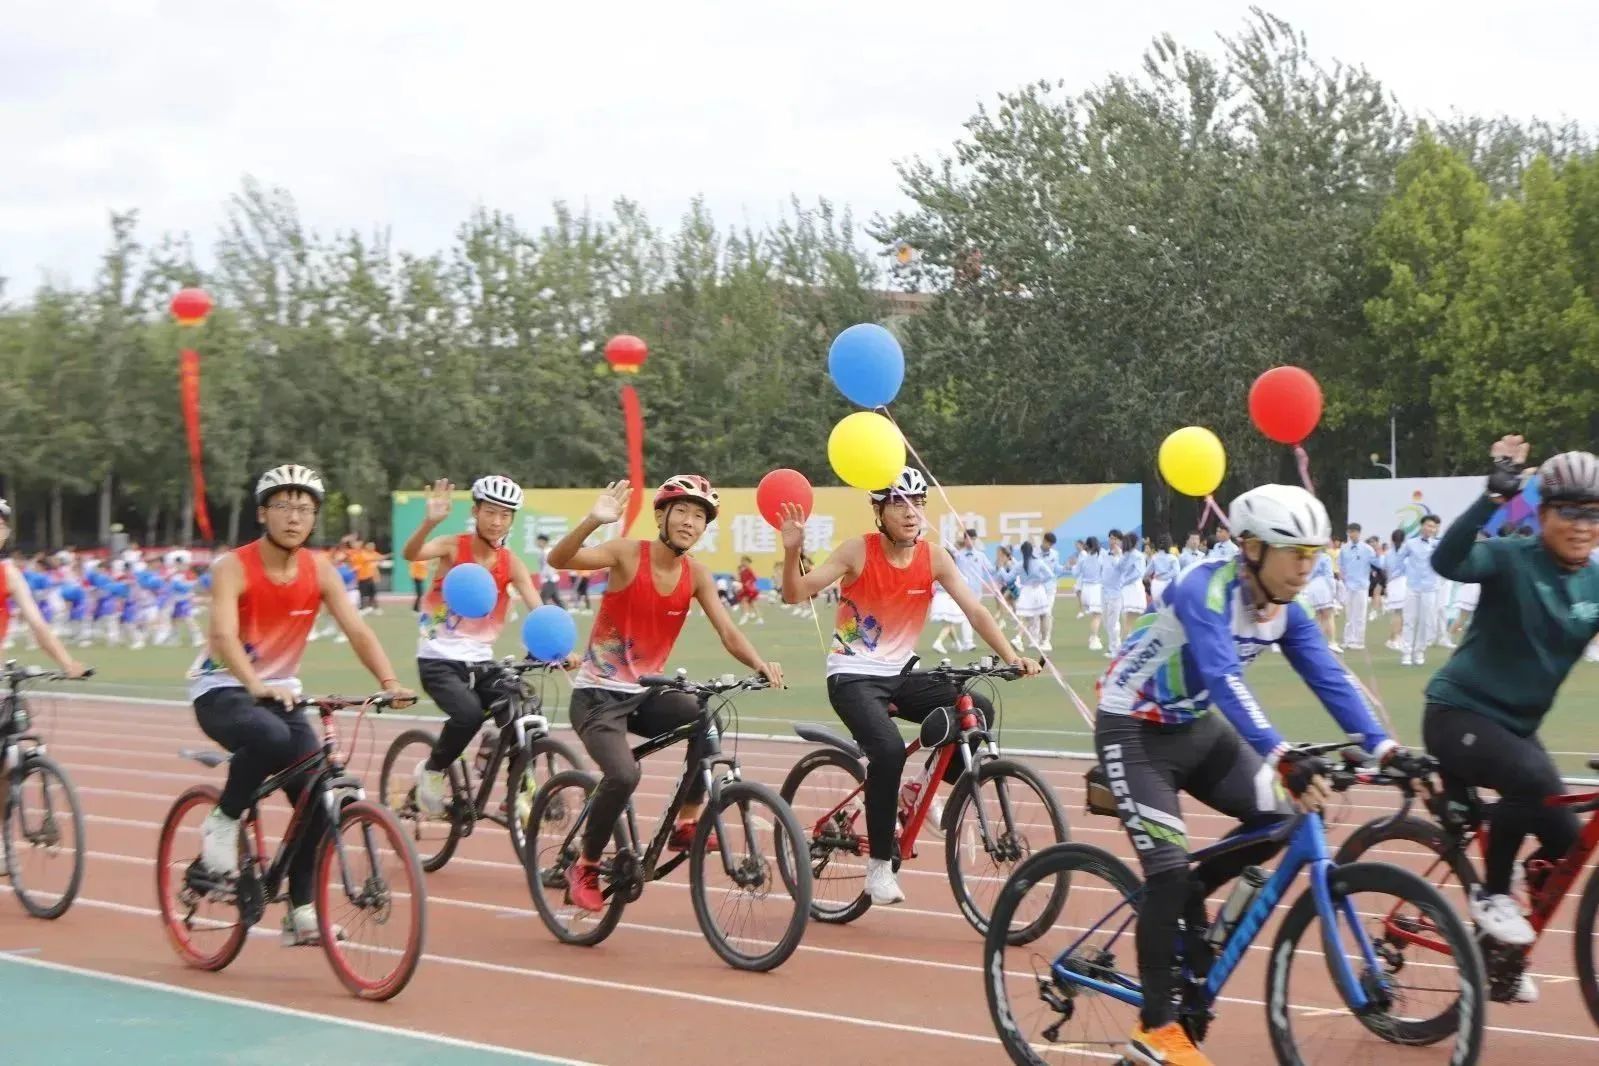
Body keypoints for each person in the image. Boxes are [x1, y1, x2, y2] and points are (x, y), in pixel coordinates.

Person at [1094, 484, 1422, 1066]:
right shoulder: (1205, 588)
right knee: (1168, 872)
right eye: (1295, 553)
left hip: (1192, 723)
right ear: (1250, 547)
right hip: (1133, 728)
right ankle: (1155, 1029)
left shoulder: (1284, 612)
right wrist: (1282, 755)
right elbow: (1223, 676)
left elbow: (1329, 676)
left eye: (1314, 554)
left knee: (1279, 815)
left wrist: (1386, 748)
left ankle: (1191, 899)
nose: (1307, 567)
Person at [777, 467, 1040, 906]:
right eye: (899, 502)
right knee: (885, 750)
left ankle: (921, 790)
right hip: (853, 675)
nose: (911, 511)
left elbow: (975, 610)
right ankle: (879, 867)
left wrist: (1012, 657)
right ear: (879, 511)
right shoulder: (856, 551)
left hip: (902, 673)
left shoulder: (935, 557)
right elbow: (794, 592)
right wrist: (791, 553)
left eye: (918, 502)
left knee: (977, 711)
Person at [187, 465, 414, 945]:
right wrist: (255, 685)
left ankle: (301, 912)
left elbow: (357, 629)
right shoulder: (233, 566)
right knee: (268, 737)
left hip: (283, 691)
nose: (295, 517)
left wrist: (389, 681)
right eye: (284, 506)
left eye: (305, 509)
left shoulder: (320, 569)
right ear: (263, 513)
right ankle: (224, 819)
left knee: (317, 798)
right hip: (222, 689)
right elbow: (223, 636)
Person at [548, 476, 783, 912]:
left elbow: (728, 631)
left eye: (700, 516)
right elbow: (559, 558)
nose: (690, 522)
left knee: (702, 717)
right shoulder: (624, 554)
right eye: (682, 511)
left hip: (644, 695)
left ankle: (687, 823)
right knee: (623, 776)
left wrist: (759, 664)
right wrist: (592, 521)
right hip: (597, 697)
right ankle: (585, 864)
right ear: (661, 514)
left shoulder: (696, 575)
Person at [1423, 439, 1599, 993]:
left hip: (1517, 730)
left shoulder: (1595, 582)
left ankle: (1494, 960)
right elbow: (1445, 560)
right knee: (1526, 779)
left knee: (1568, 845)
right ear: (1542, 514)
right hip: (1457, 715)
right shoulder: (1511, 557)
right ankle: (1494, 896)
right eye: (1568, 512)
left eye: (1592, 513)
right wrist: (1490, 499)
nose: (1581, 525)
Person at [403, 476, 551, 818]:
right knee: (467, 715)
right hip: (438, 660)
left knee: (524, 705)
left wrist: (557, 648)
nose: (497, 521)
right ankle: (432, 770)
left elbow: (537, 608)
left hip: (481, 662)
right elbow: (412, 553)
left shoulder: (511, 564)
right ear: (475, 511)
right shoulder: (454, 546)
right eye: (490, 512)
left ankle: (519, 793)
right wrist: (429, 522)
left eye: (505, 515)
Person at [1338, 523, 1377, 651]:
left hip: (1361, 585)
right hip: (1349, 585)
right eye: (1350, 532)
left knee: (1360, 614)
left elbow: (1375, 563)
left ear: (1359, 533)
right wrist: (1343, 577)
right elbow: (1341, 565)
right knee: (1349, 614)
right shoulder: (1344, 548)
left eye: (1354, 532)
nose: (1352, 534)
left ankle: (1359, 640)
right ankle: (1348, 639)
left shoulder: (1367, 549)